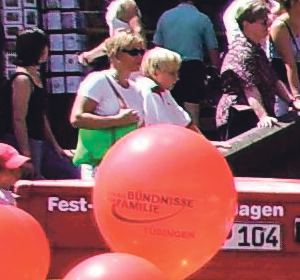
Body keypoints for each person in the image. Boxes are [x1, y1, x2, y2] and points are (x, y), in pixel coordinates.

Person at [69, 30, 144, 178]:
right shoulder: (98, 80)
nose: (140, 56)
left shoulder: (136, 89)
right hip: (99, 166)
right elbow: (76, 118)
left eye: (142, 51)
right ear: (115, 55)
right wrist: (117, 121)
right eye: (134, 52)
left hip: (127, 166)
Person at [217, 0, 297, 137]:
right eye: (263, 23)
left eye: (269, 22)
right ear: (246, 24)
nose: (268, 26)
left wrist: (293, 101)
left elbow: (274, 80)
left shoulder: (256, 49)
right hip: (239, 117)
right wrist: (263, 116)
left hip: (253, 115)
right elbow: (250, 88)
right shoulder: (242, 52)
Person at [8, 29, 75, 176]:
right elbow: (19, 119)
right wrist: (25, 154)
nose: (47, 50)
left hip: (40, 141)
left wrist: (56, 146)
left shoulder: (35, 75)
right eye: (44, 47)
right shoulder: (22, 79)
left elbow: (40, 114)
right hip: (27, 141)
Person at [153, 0, 218, 127]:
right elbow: (212, 46)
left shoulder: (165, 16)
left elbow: (157, 44)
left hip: (167, 65)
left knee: (168, 104)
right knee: (192, 107)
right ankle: (195, 138)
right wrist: (216, 67)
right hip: (193, 66)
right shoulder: (202, 18)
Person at [78, 0, 143, 66]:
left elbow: (137, 31)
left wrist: (91, 55)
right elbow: (114, 40)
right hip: (119, 62)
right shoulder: (115, 4)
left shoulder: (126, 3)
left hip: (131, 65)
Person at [130, 48, 198, 129]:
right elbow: (160, 129)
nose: (177, 78)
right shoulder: (150, 90)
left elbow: (186, 123)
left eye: (177, 72)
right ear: (155, 72)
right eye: (172, 73)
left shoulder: (163, 90)